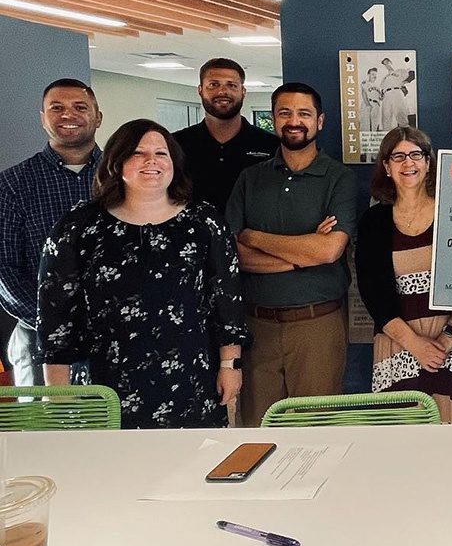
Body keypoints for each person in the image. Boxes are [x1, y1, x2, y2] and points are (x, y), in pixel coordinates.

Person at [36, 119, 248, 428]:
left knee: (193, 466)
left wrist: (231, 365)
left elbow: (226, 301)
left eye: (161, 153)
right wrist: (57, 393)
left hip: (190, 380)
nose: (152, 161)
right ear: (116, 162)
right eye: (138, 153)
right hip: (104, 383)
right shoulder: (79, 227)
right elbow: (55, 315)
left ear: (174, 163)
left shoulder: (204, 222)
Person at [226, 82, 358, 427]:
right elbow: (233, 255)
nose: (294, 120)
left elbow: (329, 250)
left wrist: (254, 235)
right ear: (273, 119)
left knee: (316, 432)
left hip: (317, 325)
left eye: (304, 113)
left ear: (320, 121)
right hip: (256, 327)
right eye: (285, 113)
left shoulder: (338, 178)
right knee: (259, 430)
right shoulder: (249, 178)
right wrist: (302, 252)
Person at [356, 127, 452, 423]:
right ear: (386, 166)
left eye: (416, 154)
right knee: (405, 446)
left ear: (429, 163)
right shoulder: (373, 222)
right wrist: (416, 345)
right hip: (400, 345)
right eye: (399, 156)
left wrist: (445, 341)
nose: (409, 163)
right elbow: (373, 294)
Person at [0, 79, 102, 387]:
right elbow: (5, 270)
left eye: (80, 107)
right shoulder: (12, 185)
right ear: (42, 117)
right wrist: (55, 322)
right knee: (45, 431)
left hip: (115, 336)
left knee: (115, 431)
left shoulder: (125, 178)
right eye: (56, 108)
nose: (68, 115)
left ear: (98, 117)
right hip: (38, 340)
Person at [173, 57, 279, 214]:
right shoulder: (176, 144)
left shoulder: (271, 145)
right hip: (192, 236)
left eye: (232, 85)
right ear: (200, 90)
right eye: (213, 85)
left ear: (243, 92)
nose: (222, 92)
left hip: (252, 236)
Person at [378, 57, 414, 131]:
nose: (386, 65)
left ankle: (406, 134)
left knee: (400, 114)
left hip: (397, 91)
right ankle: (386, 135)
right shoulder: (385, 77)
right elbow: (382, 89)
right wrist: (381, 95)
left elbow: (412, 74)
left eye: (387, 62)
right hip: (386, 95)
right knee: (386, 116)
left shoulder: (400, 71)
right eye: (385, 64)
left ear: (391, 62)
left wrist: (405, 82)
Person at [360, 67, 382, 131]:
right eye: (372, 74)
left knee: (375, 125)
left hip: (376, 105)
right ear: (368, 75)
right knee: (366, 125)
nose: (374, 76)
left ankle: (373, 139)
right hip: (368, 103)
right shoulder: (365, 83)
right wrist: (368, 105)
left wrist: (381, 97)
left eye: (375, 74)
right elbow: (364, 93)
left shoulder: (378, 86)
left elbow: (380, 97)